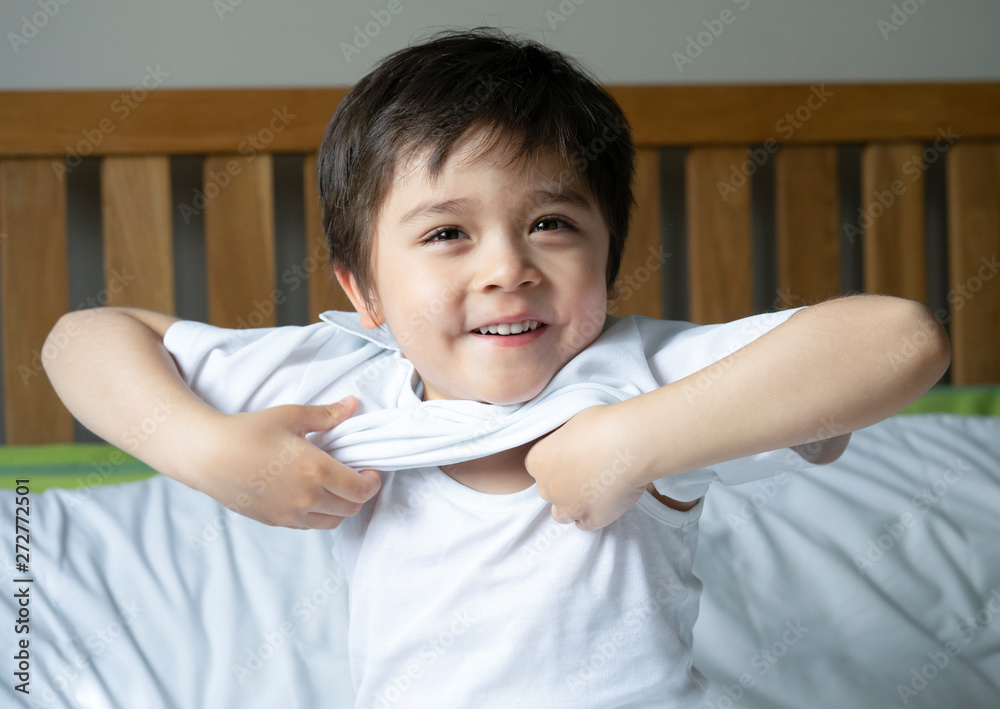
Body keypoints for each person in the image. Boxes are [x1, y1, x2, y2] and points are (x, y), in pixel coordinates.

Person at [43, 28, 950, 708]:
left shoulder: (648, 378)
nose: (508, 267)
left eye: (553, 224)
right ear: (366, 291)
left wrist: (636, 439)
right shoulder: (342, 385)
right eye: (446, 234)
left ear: (609, 254)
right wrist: (206, 451)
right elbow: (86, 336)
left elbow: (899, 337)